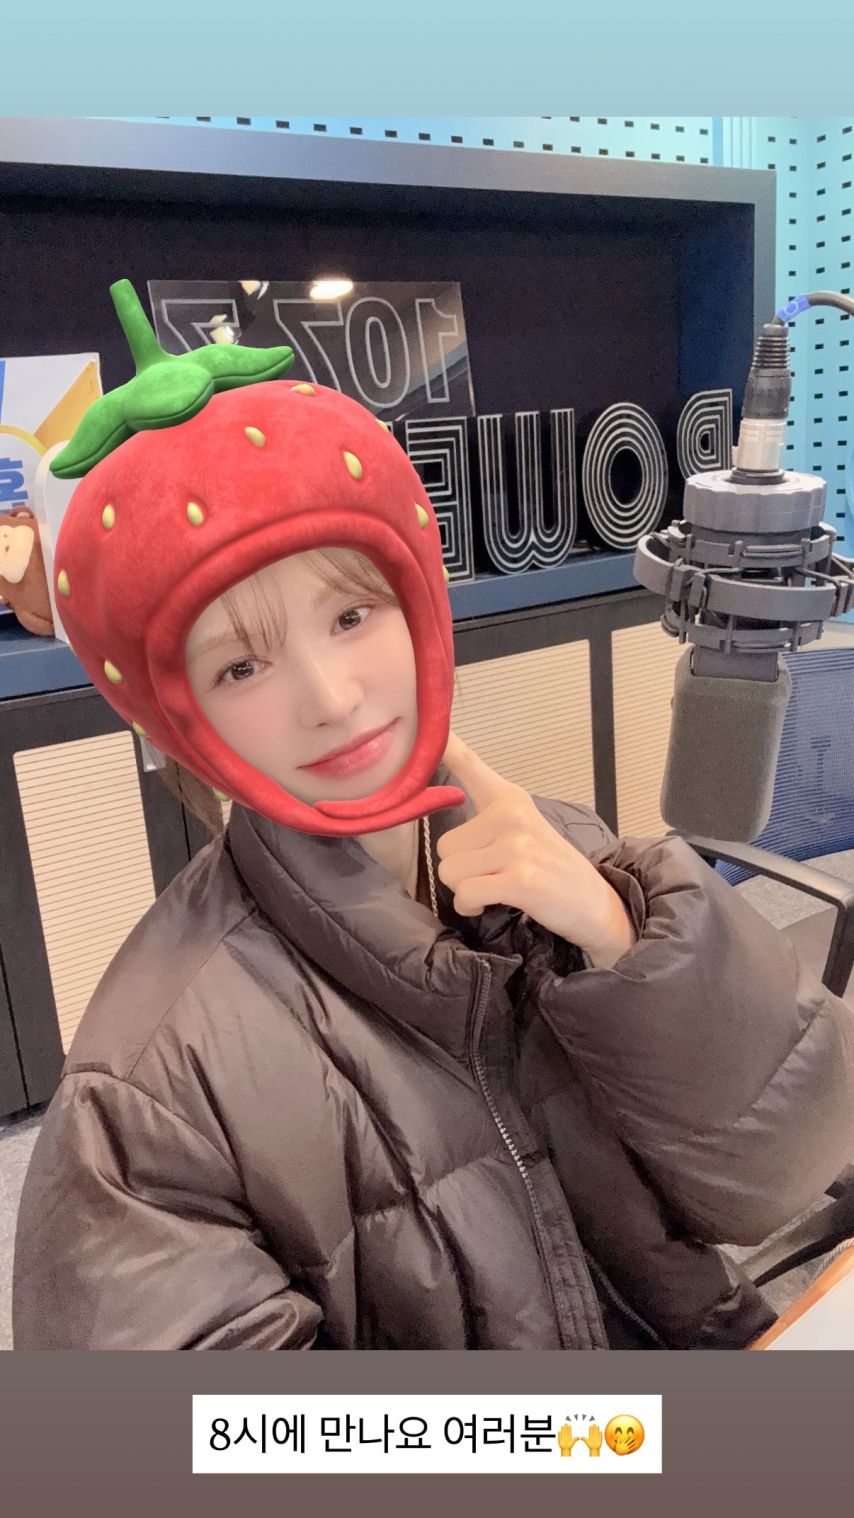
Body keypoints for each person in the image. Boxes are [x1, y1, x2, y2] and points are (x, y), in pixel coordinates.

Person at [12, 282, 854, 1351]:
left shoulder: (571, 857)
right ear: (179, 719)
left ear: (418, 607)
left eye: (351, 613)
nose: (331, 698)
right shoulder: (147, 1098)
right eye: (240, 666)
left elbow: (787, 1169)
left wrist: (621, 939)